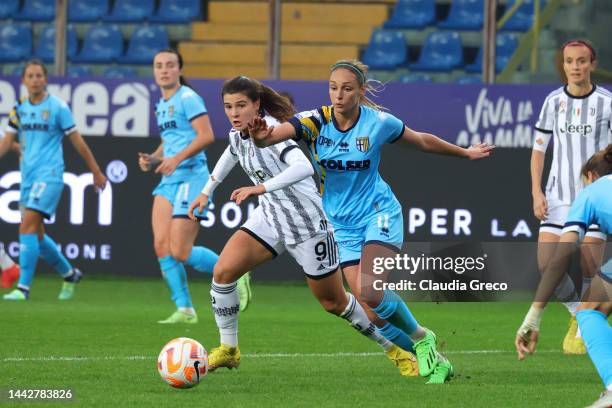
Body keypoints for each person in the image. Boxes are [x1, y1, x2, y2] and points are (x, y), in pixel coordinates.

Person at [248, 59, 494, 382]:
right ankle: (437, 361)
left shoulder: (378, 123)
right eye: (333, 87)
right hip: (341, 224)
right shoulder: (314, 122)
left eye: (347, 89)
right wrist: (261, 136)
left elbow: (421, 140)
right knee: (372, 311)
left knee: (371, 288)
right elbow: (275, 135)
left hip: (379, 213)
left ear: (361, 92)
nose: (338, 95)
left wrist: (465, 153)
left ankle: (423, 337)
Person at [188, 75, 420, 378]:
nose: (234, 113)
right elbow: (231, 153)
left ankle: (394, 349)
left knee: (334, 302)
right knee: (223, 272)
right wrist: (207, 191)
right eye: (228, 106)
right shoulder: (237, 134)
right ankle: (229, 350)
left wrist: (261, 189)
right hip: (271, 218)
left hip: (308, 224)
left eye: (241, 105)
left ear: (256, 105)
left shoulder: (274, 133)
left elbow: (303, 167)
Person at [139, 49, 250, 323]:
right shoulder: (162, 103)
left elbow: (206, 136)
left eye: (170, 65)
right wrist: (155, 158)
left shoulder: (188, 98)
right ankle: (185, 309)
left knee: (180, 250)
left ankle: (238, 270)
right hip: (169, 178)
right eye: (159, 66)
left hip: (191, 176)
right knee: (161, 246)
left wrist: (175, 159)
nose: (164, 70)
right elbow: (172, 139)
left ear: (179, 69)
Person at [0, 59, 107, 300]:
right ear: (24, 81)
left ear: (45, 79)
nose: (35, 79)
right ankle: (69, 274)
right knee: (36, 234)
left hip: (50, 175)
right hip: (27, 177)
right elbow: (7, 140)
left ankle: (23, 288)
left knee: (26, 225)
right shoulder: (19, 107)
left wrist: (95, 170)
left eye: (39, 75)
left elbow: (77, 140)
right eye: (31, 76)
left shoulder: (58, 107)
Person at [530, 39, 611, 354]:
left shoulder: (607, 102)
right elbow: (539, 151)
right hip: (558, 196)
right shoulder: (552, 101)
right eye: (569, 61)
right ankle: (577, 313)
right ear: (562, 65)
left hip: (594, 197)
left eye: (581, 61)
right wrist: (537, 192)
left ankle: (588, 323)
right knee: (546, 263)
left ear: (592, 64)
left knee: (591, 266)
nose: (575, 67)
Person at [516, 145, 612, 408]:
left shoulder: (590, 193)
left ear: (591, 175)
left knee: (589, 311)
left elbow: (559, 258)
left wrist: (533, 316)